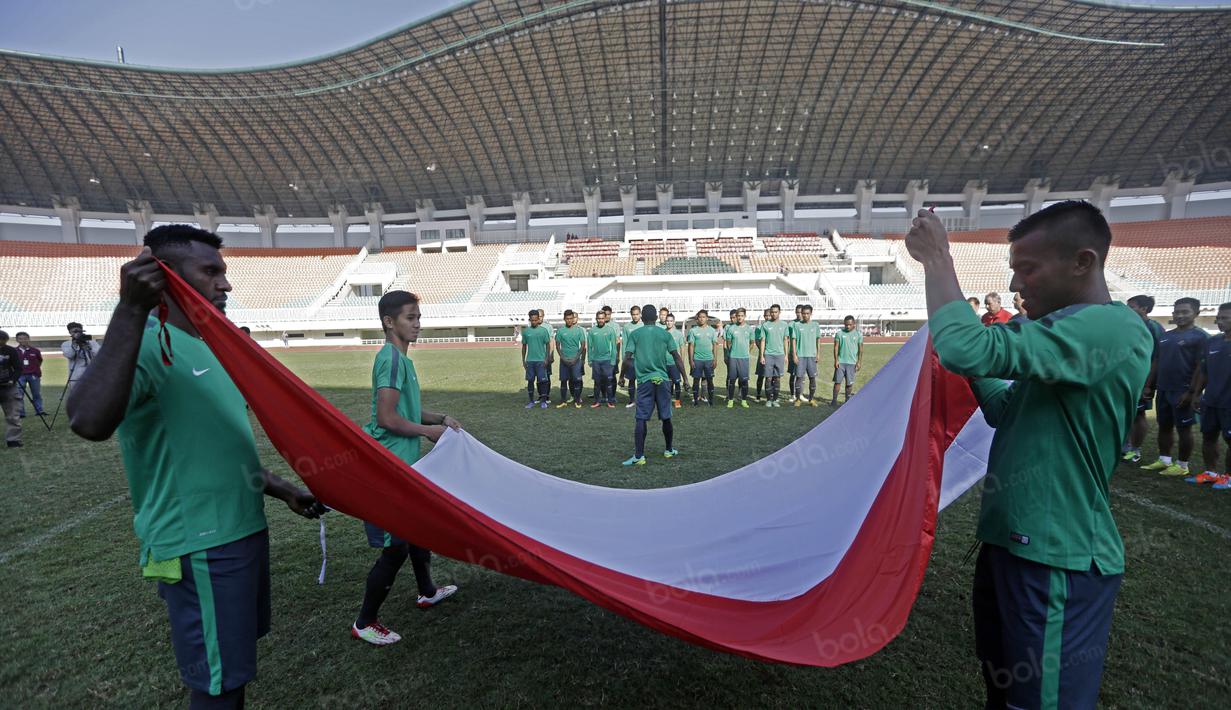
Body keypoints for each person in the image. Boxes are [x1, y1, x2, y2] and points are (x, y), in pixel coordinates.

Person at [906, 200, 1151, 710]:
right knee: (1011, 692)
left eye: (1028, 269)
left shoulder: (1111, 327)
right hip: (1014, 546)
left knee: (1042, 702)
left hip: (1056, 555)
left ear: (1083, 262)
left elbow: (969, 349)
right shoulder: (1069, 338)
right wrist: (966, 359)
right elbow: (1002, 407)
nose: (1018, 286)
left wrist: (938, 262)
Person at [66, 225, 323, 709]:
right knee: (217, 686)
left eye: (223, 272)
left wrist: (281, 488)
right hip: (199, 544)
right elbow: (86, 421)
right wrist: (130, 308)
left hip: (241, 528)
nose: (225, 284)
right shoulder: (145, 341)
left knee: (231, 670)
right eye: (210, 272)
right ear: (164, 277)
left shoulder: (209, 344)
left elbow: (216, 445)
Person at [353, 290, 459, 645]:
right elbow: (386, 418)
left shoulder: (402, 360)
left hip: (405, 466)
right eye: (410, 318)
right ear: (389, 322)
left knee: (418, 529)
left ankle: (427, 591)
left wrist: (440, 417)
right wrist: (428, 430)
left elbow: (406, 411)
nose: (417, 324)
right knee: (395, 545)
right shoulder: (392, 359)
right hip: (387, 467)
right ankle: (364, 621)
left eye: (418, 317)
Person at [1140, 297, 1208, 477]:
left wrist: (1192, 392)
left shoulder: (1200, 337)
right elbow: (1157, 361)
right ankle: (1164, 459)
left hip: (1182, 390)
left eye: (1185, 312)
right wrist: (1149, 385)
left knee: (1184, 428)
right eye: (1177, 312)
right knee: (1164, 425)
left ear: (1196, 314)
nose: (1180, 315)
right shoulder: (1166, 336)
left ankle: (1182, 464)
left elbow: (1201, 367)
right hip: (1163, 388)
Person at [621, 304, 688, 466]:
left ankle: (639, 456)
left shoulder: (635, 334)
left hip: (644, 382)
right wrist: (685, 378)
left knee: (641, 418)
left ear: (642, 318)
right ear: (657, 318)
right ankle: (669, 450)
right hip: (663, 380)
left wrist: (622, 376)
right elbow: (677, 357)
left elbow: (627, 357)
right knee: (666, 417)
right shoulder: (664, 334)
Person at [1183, 302, 1231, 488]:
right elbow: (1204, 371)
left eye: (1225, 318)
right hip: (1211, 400)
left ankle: (1228, 476)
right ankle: (1211, 472)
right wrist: (1196, 394)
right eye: (1218, 318)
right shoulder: (1213, 341)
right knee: (1209, 436)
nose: (1220, 321)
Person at [1121, 295, 1165, 463]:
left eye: (1131, 306)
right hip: (1127, 378)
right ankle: (1124, 445)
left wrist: (1147, 384)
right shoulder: (1129, 326)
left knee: (1139, 414)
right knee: (1126, 413)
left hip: (1143, 380)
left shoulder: (1153, 327)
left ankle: (1135, 450)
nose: (1127, 310)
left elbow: (1156, 358)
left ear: (1144, 309)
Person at [757, 304, 790, 407]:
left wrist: (786, 355)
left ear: (779, 312)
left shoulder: (784, 325)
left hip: (780, 355)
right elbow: (763, 340)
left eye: (776, 312)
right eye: (772, 312)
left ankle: (775, 399)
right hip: (768, 355)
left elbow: (785, 340)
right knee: (768, 378)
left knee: (778, 378)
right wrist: (762, 355)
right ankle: (768, 400)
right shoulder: (765, 325)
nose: (773, 314)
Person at [554, 309, 587, 408]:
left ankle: (577, 400)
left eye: (571, 318)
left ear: (573, 319)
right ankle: (563, 400)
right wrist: (562, 357)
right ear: (564, 319)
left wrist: (576, 358)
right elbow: (557, 345)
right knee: (563, 381)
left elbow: (582, 345)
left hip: (575, 360)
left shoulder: (579, 330)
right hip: (564, 360)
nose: (569, 320)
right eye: (567, 318)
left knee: (577, 380)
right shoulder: (560, 331)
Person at [520, 309, 553, 409]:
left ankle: (543, 401)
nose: (534, 322)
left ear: (538, 319)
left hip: (541, 361)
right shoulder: (526, 332)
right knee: (530, 381)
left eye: (535, 320)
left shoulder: (543, 331)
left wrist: (547, 358)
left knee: (542, 381)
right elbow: (524, 347)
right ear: (529, 319)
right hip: (530, 361)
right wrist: (523, 360)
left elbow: (548, 345)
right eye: (532, 320)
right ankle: (531, 401)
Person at [687, 310, 720, 406]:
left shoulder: (712, 331)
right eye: (700, 317)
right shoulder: (693, 330)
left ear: (707, 318)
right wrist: (691, 360)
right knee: (696, 380)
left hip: (709, 360)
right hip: (697, 360)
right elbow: (691, 346)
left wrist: (715, 359)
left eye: (703, 317)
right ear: (697, 318)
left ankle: (711, 400)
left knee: (709, 380)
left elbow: (715, 345)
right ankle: (696, 401)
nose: (702, 319)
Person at [792, 306, 822, 407]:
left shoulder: (815, 325)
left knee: (812, 378)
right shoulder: (796, 325)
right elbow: (794, 340)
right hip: (800, 356)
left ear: (811, 314)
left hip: (811, 356)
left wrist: (818, 354)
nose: (805, 315)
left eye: (807, 313)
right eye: (803, 313)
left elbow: (818, 340)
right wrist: (795, 355)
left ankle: (811, 399)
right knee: (799, 378)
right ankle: (797, 399)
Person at [588, 309, 618, 408]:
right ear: (596, 319)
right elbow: (589, 347)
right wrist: (589, 359)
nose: (600, 320)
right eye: (599, 318)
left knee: (608, 381)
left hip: (607, 360)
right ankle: (597, 401)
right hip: (596, 361)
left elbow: (614, 347)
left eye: (602, 318)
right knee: (597, 382)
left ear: (605, 318)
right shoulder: (592, 331)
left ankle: (610, 401)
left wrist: (613, 360)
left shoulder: (610, 330)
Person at [724, 308, 754, 409]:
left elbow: (752, 343)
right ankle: (731, 400)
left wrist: (746, 351)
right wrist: (732, 351)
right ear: (736, 317)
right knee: (732, 380)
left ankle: (744, 401)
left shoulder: (749, 329)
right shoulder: (731, 328)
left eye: (742, 316)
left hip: (744, 358)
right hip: (733, 358)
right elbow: (728, 342)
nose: (740, 317)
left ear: (745, 316)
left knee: (744, 381)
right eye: (738, 316)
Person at [831, 315, 863, 406]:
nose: (847, 326)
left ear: (854, 324)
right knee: (837, 382)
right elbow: (836, 347)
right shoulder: (839, 334)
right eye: (846, 325)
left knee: (849, 384)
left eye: (849, 324)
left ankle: (847, 400)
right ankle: (834, 400)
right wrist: (836, 360)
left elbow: (861, 349)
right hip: (841, 362)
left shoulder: (858, 334)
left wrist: (859, 362)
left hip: (852, 363)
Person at [61, 321, 100, 394]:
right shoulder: (66, 344)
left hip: (91, 374)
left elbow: (99, 354)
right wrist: (75, 345)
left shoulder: (91, 342)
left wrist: (89, 347)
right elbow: (70, 355)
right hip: (75, 376)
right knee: (76, 396)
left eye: (79, 331)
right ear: (70, 333)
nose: (77, 334)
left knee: (93, 395)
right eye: (74, 332)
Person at [15, 331, 44, 417]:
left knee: (36, 394)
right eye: (20, 339)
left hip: (33, 375)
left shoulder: (35, 351)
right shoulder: (14, 351)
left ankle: (39, 411)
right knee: (19, 395)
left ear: (28, 339)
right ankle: (21, 413)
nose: (23, 340)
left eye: (25, 338)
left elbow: (40, 361)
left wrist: (35, 370)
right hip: (20, 376)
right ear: (17, 340)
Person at [619, 305, 643, 408]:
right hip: (631, 358)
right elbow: (624, 343)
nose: (635, 316)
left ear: (640, 314)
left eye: (637, 314)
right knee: (631, 379)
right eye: (633, 314)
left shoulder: (644, 325)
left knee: (643, 380)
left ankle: (642, 400)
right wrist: (624, 357)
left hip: (643, 358)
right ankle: (632, 400)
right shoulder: (627, 327)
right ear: (631, 315)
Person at [0, 331, 20, 447]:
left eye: (3, 342)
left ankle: (13, 440)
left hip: (8, 386)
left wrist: (13, 380)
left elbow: (18, 368)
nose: (2, 344)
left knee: (12, 415)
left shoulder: (11, 351)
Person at [664, 313, 687, 407]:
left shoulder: (678, 334)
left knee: (677, 382)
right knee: (667, 383)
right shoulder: (662, 333)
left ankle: (677, 401)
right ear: (665, 322)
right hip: (664, 363)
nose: (669, 323)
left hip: (675, 363)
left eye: (671, 321)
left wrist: (681, 361)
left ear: (674, 322)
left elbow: (682, 347)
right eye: (667, 321)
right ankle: (668, 401)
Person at [787, 305, 804, 402]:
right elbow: (787, 338)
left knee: (801, 375)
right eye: (797, 312)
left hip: (803, 354)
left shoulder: (805, 324)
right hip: (793, 353)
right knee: (793, 374)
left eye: (800, 312)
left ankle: (800, 394)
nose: (799, 314)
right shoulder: (791, 324)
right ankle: (792, 395)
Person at [754, 308, 771, 400]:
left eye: (769, 315)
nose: (767, 317)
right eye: (766, 315)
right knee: (761, 375)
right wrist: (763, 351)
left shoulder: (774, 326)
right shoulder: (759, 328)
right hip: (763, 354)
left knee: (771, 376)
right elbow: (757, 341)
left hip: (772, 354)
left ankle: (770, 394)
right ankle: (758, 394)